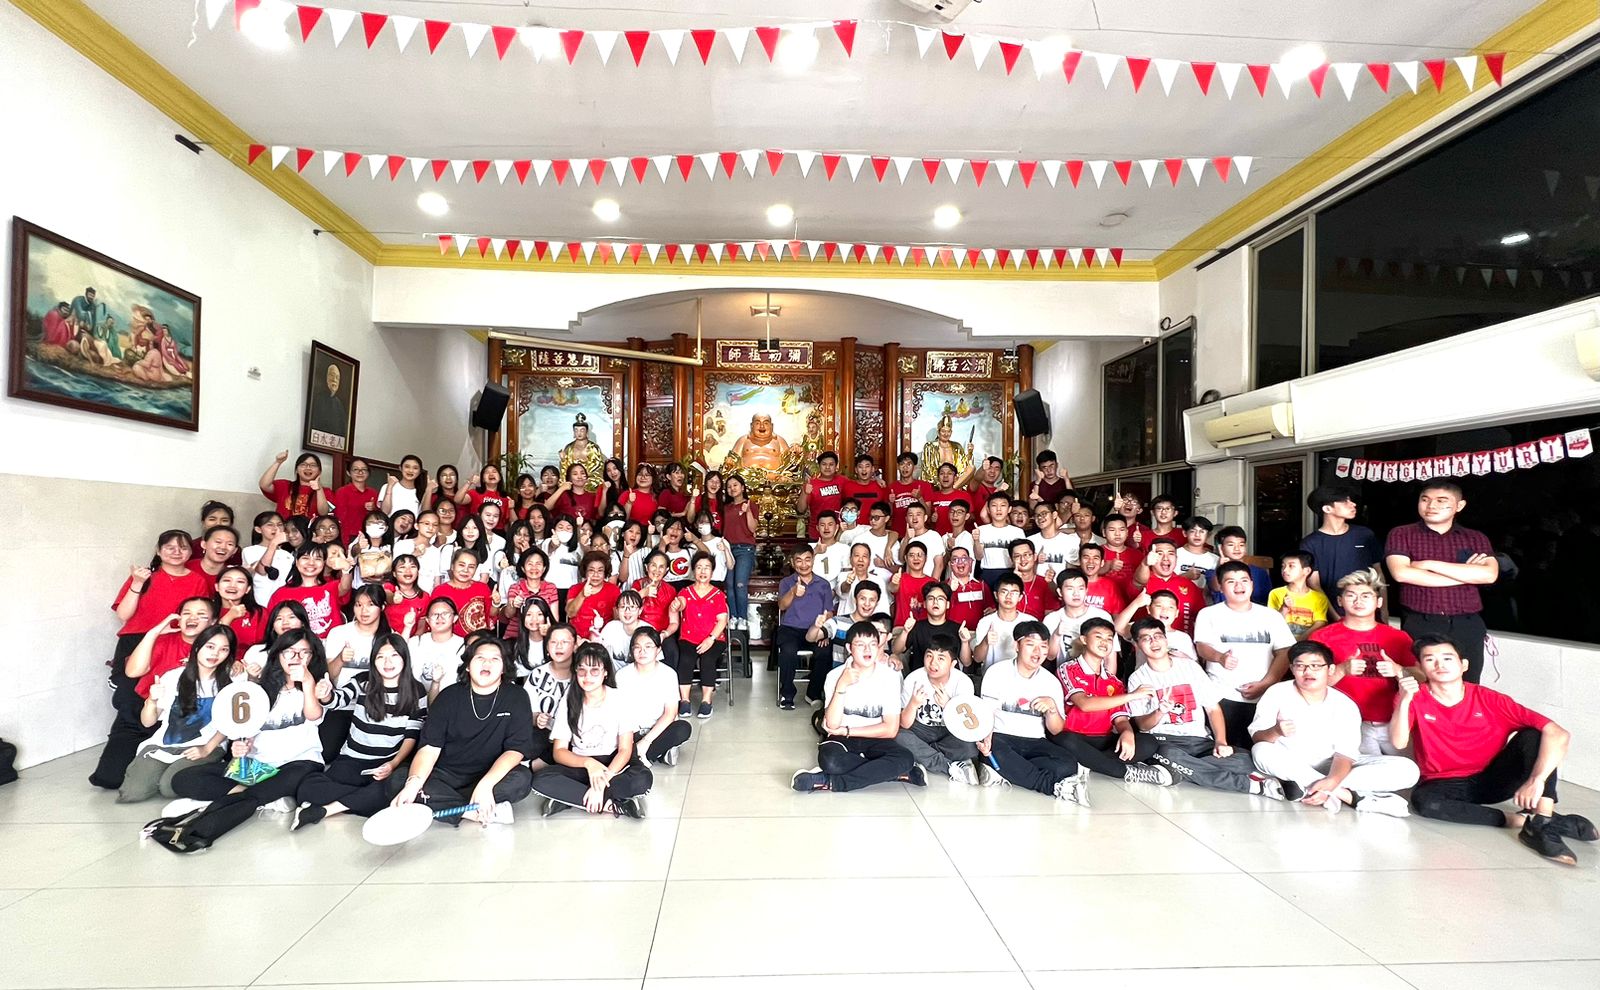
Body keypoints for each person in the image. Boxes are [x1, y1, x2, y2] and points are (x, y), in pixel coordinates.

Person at [1393, 635, 1595, 863]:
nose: (1440, 665)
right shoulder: (1413, 698)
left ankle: (1542, 821)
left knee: (1535, 735)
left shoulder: (1490, 699)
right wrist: (1404, 700)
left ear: (1463, 665)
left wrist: (1536, 780)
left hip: (1493, 780)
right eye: (1430, 659)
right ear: (1420, 667)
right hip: (1443, 783)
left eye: (1448, 658)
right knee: (1424, 801)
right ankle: (1516, 820)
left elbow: (1558, 733)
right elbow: (1399, 742)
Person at [150, 630, 331, 853]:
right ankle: (265, 796)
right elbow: (247, 728)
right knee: (183, 779)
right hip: (260, 766)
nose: (296, 657)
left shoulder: (316, 685)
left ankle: (200, 829)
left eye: (304, 653)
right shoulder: (259, 689)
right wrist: (241, 745)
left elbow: (313, 715)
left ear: (312, 657)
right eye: (289, 652)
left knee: (263, 791)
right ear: (278, 655)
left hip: (299, 762)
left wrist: (308, 681)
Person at [1249, 640, 1417, 817]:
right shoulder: (1277, 692)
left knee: (1408, 769)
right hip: (1292, 761)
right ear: (1292, 669)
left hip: (1333, 764)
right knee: (1260, 750)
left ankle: (1316, 787)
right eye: (1300, 666)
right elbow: (1257, 738)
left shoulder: (1345, 704)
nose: (1308, 672)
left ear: (1330, 669)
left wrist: (1332, 781)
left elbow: (1345, 754)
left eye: (1316, 666)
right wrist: (1276, 731)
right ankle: (1348, 795)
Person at [1124, 618, 1282, 798]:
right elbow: (1142, 726)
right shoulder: (1137, 678)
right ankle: (1251, 786)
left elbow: (1213, 709)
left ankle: (1180, 769)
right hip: (1165, 741)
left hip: (1199, 740)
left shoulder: (1191, 668)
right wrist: (1159, 712)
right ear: (1137, 644)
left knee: (1245, 760)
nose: (1154, 642)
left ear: (1166, 639)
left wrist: (1220, 741)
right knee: (1167, 754)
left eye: (1158, 636)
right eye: (1146, 638)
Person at [388, 636, 534, 826]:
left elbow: (515, 750)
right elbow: (429, 748)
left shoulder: (517, 697)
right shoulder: (448, 696)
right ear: (467, 666)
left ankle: (448, 804)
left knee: (521, 779)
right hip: (445, 775)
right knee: (400, 780)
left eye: (495, 659)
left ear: (504, 668)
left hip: (489, 773)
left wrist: (486, 784)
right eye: (480, 658)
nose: (487, 663)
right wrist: (413, 784)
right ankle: (473, 811)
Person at [291, 634, 428, 830]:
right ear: (373, 660)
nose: (387, 662)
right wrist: (326, 694)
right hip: (352, 760)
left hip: (386, 763)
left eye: (394, 656)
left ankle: (325, 810)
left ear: (404, 658)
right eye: (380, 657)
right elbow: (337, 700)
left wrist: (393, 764)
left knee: (396, 787)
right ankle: (363, 799)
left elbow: (411, 735)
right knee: (307, 788)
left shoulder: (417, 691)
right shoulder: (363, 681)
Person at [1384, 482, 1497, 683]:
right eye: (1425, 500)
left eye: (1441, 500)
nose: (1431, 506)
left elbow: (1489, 575)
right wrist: (1465, 575)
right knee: (1417, 682)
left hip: (1467, 623)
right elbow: (1402, 573)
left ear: (1459, 506)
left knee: (1467, 682)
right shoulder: (1401, 534)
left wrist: (1428, 564)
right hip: (1420, 621)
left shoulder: (1475, 538)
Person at [792, 621, 920, 793]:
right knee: (830, 761)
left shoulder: (890, 677)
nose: (868, 650)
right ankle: (891, 773)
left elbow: (890, 730)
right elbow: (832, 724)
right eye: (860, 645)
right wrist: (841, 686)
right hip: (842, 740)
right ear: (849, 648)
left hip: (877, 738)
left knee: (905, 758)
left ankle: (830, 781)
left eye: (872, 644)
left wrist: (847, 730)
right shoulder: (835, 675)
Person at [532, 644, 653, 818]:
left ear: (605, 672)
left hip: (613, 765)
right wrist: (589, 764)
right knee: (541, 779)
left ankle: (571, 797)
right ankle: (612, 804)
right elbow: (559, 752)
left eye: (595, 670)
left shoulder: (619, 698)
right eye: (582, 670)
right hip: (580, 764)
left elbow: (625, 750)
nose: (587, 676)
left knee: (642, 778)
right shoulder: (569, 699)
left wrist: (602, 782)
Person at [117, 625, 235, 804]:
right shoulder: (172, 677)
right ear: (197, 647)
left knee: (169, 787)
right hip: (165, 744)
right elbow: (147, 722)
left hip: (205, 744)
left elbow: (231, 723)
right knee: (132, 793)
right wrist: (152, 700)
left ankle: (210, 768)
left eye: (224, 649)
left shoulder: (232, 681)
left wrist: (207, 749)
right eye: (210, 646)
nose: (215, 654)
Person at [977, 622, 1089, 803]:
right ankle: (1054, 787)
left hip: (1035, 741)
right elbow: (986, 714)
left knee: (1068, 763)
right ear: (1017, 646)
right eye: (1030, 644)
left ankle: (1005, 771)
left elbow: (1056, 729)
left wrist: (1052, 709)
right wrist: (986, 741)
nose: (1037, 652)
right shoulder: (996, 672)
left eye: (1043, 646)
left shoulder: (1051, 682)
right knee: (994, 752)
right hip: (1001, 737)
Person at [1310, 567, 1417, 755]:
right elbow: (1309, 686)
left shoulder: (1398, 637)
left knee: (1409, 770)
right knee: (1364, 772)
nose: (1358, 601)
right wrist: (1342, 669)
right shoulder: (1322, 637)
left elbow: (1422, 677)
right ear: (1340, 601)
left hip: (1395, 721)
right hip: (1348, 723)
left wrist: (1398, 670)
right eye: (1351, 595)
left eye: (1366, 596)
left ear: (1379, 602)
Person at [1053, 618, 1171, 785]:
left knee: (1148, 742)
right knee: (1063, 740)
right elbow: (1084, 704)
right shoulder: (1068, 669)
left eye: (1109, 638)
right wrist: (1133, 695)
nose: (1104, 642)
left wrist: (1127, 733)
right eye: (1098, 637)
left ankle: (1089, 764)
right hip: (1075, 738)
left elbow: (1120, 719)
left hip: (1104, 740)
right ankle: (1123, 771)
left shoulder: (1114, 681)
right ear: (1084, 639)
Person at [1193, 561, 1295, 747]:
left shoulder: (1271, 616)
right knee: (1224, 750)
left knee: (1258, 749)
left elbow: (1285, 652)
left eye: (1244, 580)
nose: (1239, 586)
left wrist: (1266, 684)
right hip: (1221, 696)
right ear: (1220, 586)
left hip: (1264, 697)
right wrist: (1220, 658)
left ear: (1252, 584)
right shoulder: (1208, 614)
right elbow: (1202, 646)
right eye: (1231, 581)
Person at [898, 633, 984, 783]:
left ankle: (923, 754)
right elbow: (905, 724)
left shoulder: (963, 682)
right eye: (929, 656)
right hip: (921, 729)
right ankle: (949, 766)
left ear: (953, 664)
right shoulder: (913, 679)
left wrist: (949, 706)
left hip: (949, 732)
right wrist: (913, 704)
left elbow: (966, 727)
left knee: (971, 745)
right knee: (897, 735)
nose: (933, 663)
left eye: (941, 658)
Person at [617, 628, 691, 765]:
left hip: (659, 728)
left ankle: (639, 755)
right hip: (632, 731)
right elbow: (619, 712)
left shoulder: (668, 674)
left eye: (648, 647)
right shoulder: (622, 675)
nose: (642, 651)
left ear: (658, 650)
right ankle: (658, 753)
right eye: (637, 647)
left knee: (683, 728)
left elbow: (670, 713)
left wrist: (646, 741)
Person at [775, 545, 835, 710]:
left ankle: (813, 693)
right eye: (799, 561)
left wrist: (824, 632)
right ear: (792, 563)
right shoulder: (786, 582)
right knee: (788, 652)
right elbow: (782, 606)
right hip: (790, 629)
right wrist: (793, 592)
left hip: (815, 630)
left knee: (824, 652)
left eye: (807, 560)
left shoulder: (823, 584)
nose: (804, 564)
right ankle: (787, 694)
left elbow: (829, 612)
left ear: (813, 560)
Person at [671, 552, 728, 719]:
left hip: (714, 638)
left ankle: (706, 701)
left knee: (707, 659)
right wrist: (676, 605)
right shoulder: (685, 592)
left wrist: (710, 639)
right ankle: (685, 701)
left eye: (707, 568)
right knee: (686, 659)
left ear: (712, 571)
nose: (703, 571)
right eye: (699, 567)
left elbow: (722, 621)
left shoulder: (718, 594)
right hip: (689, 638)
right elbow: (681, 603)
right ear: (693, 570)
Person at [1301, 484, 1380, 601]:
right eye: (1344, 501)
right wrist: (1333, 612)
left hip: (1367, 606)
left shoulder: (1364, 534)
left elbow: (1378, 574)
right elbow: (1314, 585)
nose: (1353, 504)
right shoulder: (1310, 543)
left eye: (1350, 500)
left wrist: (1384, 608)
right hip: (1329, 608)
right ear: (1327, 509)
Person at [895, 581, 973, 672]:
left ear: (947, 604)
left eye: (940, 599)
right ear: (924, 604)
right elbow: (896, 650)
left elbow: (967, 662)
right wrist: (905, 631)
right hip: (921, 676)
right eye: (931, 598)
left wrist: (965, 642)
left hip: (949, 677)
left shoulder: (957, 629)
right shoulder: (916, 627)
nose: (935, 602)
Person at [1134, 538, 1205, 635]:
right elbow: (1139, 581)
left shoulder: (1189, 585)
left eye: (1170, 554)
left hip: (1181, 642)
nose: (1165, 558)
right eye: (1159, 553)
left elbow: (1201, 618)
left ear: (1176, 558)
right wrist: (1144, 564)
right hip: (1148, 641)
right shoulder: (1143, 581)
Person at [1044, 569, 1113, 663]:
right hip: (1064, 671)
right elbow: (1050, 656)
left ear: (1086, 590)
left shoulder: (1102, 616)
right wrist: (1056, 635)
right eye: (1070, 589)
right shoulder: (1051, 619)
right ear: (1060, 592)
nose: (1076, 593)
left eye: (1080, 588)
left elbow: (1110, 657)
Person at [427, 548, 494, 637]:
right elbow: (433, 619)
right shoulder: (440, 591)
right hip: (449, 641)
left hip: (479, 641)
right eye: (461, 565)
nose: (465, 570)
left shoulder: (482, 588)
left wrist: (496, 603)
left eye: (471, 567)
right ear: (452, 566)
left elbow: (491, 615)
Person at [722, 473, 759, 630]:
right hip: (728, 549)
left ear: (743, 487)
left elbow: (752, 528)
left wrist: (748, 511)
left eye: (735, 485)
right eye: (729, 486)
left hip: (745, 549)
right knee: (729, 585)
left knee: (740, 584)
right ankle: (733, 617)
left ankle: (742, 618)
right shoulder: (725, 508)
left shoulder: (751, 505)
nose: (732, 488)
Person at [1269, 552, 1331, 640]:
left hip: (1307, 643)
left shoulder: (1319, 598)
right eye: (1283, 566)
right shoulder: (1275, 593)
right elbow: (1271, 623)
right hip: (1281, 642)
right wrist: (1284, 608)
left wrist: (1299, 641)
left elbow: (1320, 623)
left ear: (1307, 571)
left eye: (1291, 566)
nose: (1285, 570)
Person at [565, 551, 621, 642]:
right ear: (585, 571)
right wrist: (582, 595)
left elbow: (617, 620)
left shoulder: (613, 590)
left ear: (605, 573)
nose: (595, 575)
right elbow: (570, 613)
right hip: (578, 640)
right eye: (591, 570)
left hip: (604, 640)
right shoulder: (575, 589)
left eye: (600, 571)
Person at [259, 451, 332, 521]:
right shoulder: (285, 486)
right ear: (296, 470)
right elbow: (264, 485)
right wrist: (278, 462)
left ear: (319, 471)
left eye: (313, 465)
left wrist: (319, 489)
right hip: (284, 529)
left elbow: (323, 513)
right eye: (303, 465)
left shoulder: (326, 492)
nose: (308, 468)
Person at [976, 492, 1023, 590]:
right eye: (994, 505)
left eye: (1003, 505)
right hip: (987, 573)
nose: (998, 509)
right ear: (988, 509)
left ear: (1009, 509)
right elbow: (978, 556)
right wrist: (976, 540)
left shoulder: (1017, 532)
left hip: (1010, 573)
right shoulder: (981, 530)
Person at [942, 546, 992, 633]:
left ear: (970, 562)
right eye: (955, 559)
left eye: (964, 558)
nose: (960, 562)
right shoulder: (942, 587)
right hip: (951, 634)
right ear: (950, 564)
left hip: (978, 634)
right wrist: (948, 591)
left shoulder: (982, 585)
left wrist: (991, 611)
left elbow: (991, 609)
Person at [1007, 539, 1061, 619]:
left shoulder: (1045, 583)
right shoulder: (1005, 583)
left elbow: (1051, 615)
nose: (1023, 559)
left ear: (1035, 557)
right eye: (1017, 556)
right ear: (1011, 560)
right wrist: (1014, 582)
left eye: (1026, 555)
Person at [798, 451, 845, 539]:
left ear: (836, 466)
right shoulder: (811, 484)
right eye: (824, 464)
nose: (827, 467)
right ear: (819, 466)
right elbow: (801, 509)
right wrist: (805, 493)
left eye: (831, 464)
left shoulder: (843, 481)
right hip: (817, 533)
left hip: (838, 533)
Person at [920, 414, 975, 487]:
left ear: (951, 432)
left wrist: (970, 453)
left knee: (972, 467)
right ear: (938, 432)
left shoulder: (957, 447)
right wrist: (939, 484)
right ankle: (948, 490)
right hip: (937, 484)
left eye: (948, 431)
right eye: (943, 431)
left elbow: (964, 466)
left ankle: (953, 489)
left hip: (955, 483)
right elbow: (928, 469)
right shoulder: (930, 446)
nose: (946, 434)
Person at [889, 452, 935, 536]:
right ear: (898, 467)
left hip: (919, 535)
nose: (905, 467)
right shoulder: (891, 487)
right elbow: (888, 516)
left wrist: (920, 498)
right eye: (902, 464)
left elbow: (928, 514)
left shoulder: (924, 486)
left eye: (909, 464)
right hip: (898, 534)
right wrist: (890, 503)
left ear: (914, 467)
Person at [1076, 544, 1128, 618]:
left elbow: (1118, 616)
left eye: (1095, 558)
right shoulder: (1071, 583)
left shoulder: (1110, 586)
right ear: (1079, 561)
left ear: (1102, 563)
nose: (1091, 561)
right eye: (1086, 557)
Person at [558, 413, 607, 491]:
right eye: (576, 430)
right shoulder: (569, 448)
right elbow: (565, 469)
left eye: (582, 430)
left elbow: (598, 468)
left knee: (595, 484)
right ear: (573, 432)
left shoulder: (593, 448)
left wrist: (584, 478)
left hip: (589, 480)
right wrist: (563, 460)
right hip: (572, 481)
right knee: (564, 484)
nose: (579, 433)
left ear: (587, 432)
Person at [308, 360, 349, 445]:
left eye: (337, 377)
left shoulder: (339, 405)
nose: (334, 380)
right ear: (326, 377)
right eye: (332, 375)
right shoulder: (317, 399)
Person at [380, 454, 429, 519]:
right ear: (400, 468)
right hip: (390, 525)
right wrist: (390, 487)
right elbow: (385, 512)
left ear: (420, 471)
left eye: (415, 468)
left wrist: (429, 489)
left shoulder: (422, 492)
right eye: (407, 467)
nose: (410, 470)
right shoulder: (387, 486)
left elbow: (425, 515)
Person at [1174, 516, 1218, 587]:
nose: (1197, 535)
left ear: (1208, 535)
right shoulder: (1175, 554)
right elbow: (1166, 581)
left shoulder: (1215, 559)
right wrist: (1185, 576)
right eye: (1192, 531)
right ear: (1185, 533)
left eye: (1202, 531)